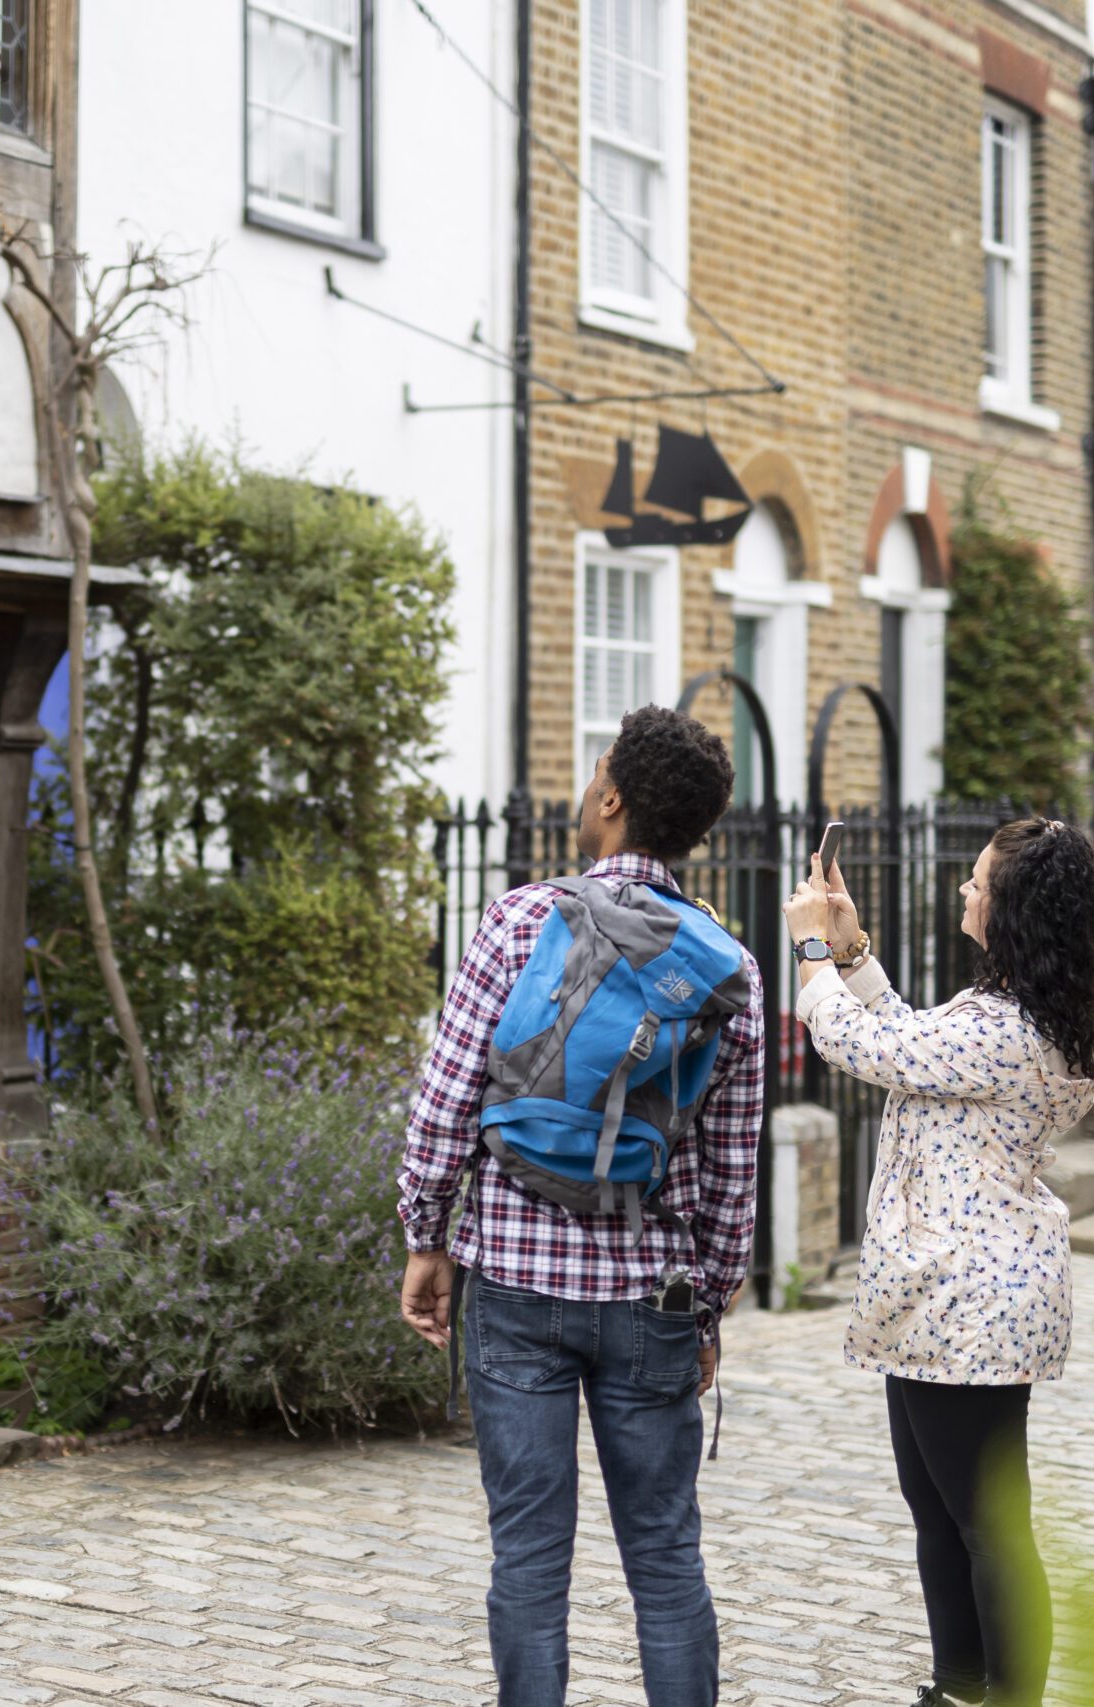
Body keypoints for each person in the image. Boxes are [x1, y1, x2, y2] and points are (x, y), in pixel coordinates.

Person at [399, 706, 765, 1707]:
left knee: (527, 1558)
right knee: (663, 1556)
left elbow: (444, 1102)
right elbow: (732, 1174)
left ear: (610, 799)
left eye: (591, 774)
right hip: (650, 1294)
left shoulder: (520, 921)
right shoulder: (728, 969)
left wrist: (426, 1238)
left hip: (513, 1279)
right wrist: (711, 1303)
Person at [781, 818, 1094, 1707]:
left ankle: (1005, 1698)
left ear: (1014, 911)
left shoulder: (1008, 1030)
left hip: (970, 1303)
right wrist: (851, 952)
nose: (965, 892)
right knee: (943, 1511)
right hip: (946, 1300)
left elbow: (863, 1047)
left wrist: (810, 946)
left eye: (978, 883)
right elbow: (911, 1046)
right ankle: (961, 1688)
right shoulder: (1020, 1019)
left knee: (987, 1526)